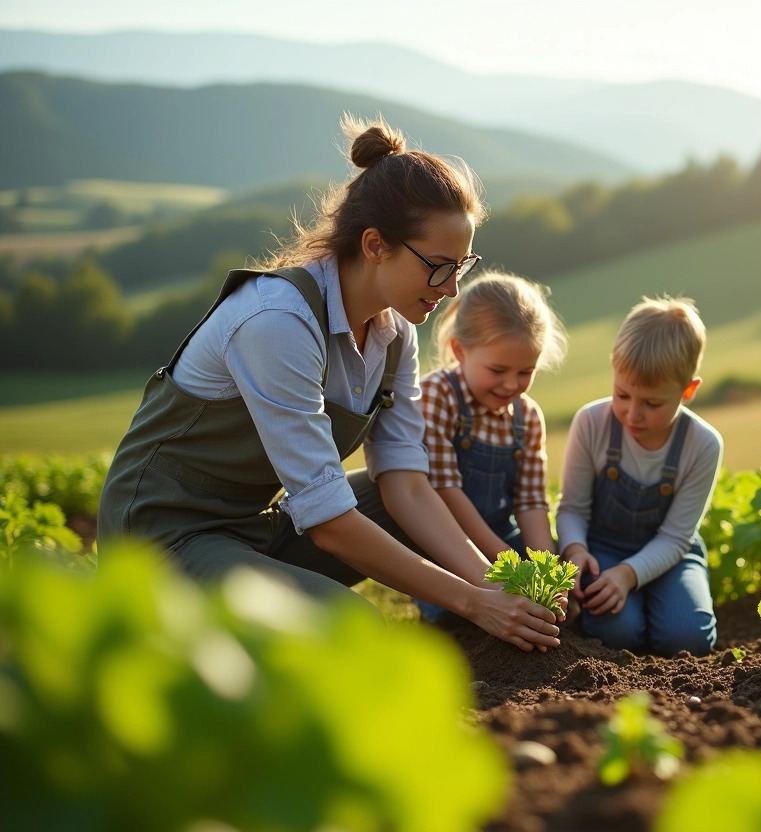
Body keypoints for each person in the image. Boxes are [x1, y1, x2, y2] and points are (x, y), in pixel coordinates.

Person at [97, 116, 563, 652]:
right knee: (350, 627)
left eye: (462, 266)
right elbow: (327, 522)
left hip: (249, 527)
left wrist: (503, 587)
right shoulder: (277, 321)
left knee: (401, 499)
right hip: (162, 535)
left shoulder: (394, 331)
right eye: (438, 266)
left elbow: (408, 484)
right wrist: (473, 603)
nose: (452, 289)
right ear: (374, 245)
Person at [555, 296, 722, 657]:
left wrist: (629, 576)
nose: (633, 414)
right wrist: (575, 549)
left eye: (652, 403)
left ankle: (661, 601)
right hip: (603, 549)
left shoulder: (703, 444)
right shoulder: (591, 422)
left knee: (686, 641)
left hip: (671, 554)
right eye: (622, 394)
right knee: (618, 634)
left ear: (688, 391)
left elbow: (677, 537)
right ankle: (636, 611)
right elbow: (571, 508)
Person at [416, 271, 566, 618]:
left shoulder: (526, 416)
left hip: (503, 539)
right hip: (447, 544)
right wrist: (508, 568)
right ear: (459, 350)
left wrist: (547, 571)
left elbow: (530, 502)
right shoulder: (438, 396)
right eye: (498, 370)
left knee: (553, 607)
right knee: (452, 618)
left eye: (525, 371)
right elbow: (445, 490)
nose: (511, 385)